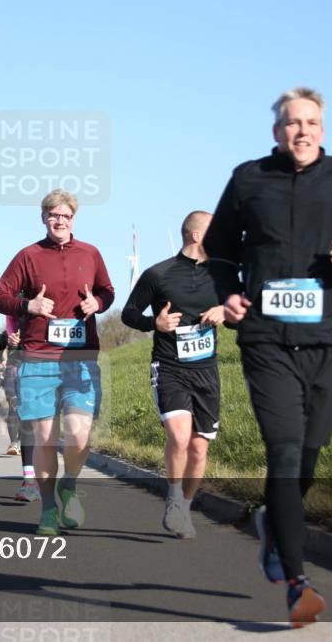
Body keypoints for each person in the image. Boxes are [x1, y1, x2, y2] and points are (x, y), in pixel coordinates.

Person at [203, 87, 332, 627]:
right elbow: (218, 248)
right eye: (292, 122)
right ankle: (297, 582)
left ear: (323, 130)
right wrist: (228, 289)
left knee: (308, 457)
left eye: (311, 122)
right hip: (265, 340)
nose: (302, 131)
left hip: (326, 341)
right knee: (284, 453)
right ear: (276, 131)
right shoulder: (248, 179)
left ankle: (272, 524)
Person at [0, 189, 115, 536]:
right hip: (37, 357)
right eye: (53, 215)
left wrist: (98, 305)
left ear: (74, 219)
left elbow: (107, 290)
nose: (60, 221)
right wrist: (27, 306)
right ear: (44, 218)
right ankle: (47, 509)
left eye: (66, 216)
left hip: (80, 357)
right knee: (43, 439)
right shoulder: (28, 256)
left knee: (78, 435)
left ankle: (69, 485)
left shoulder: (90, 254)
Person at [121, 211, 225, 539]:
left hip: (206, 371)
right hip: (169, 368)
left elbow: (241, 315)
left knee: (199, 449)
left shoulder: (223, 275)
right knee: (179, 437)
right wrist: (156, 324)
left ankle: (185, 504)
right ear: (196, 235)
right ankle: (174, 496)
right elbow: (129, 313)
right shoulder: (158, 274)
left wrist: (225, 311)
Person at [1, 318, 39, 502]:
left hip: (46, 368)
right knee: (26, 422)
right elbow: (4, 353)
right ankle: (30, 481)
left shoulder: (50, 316)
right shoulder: (12, 326)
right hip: (18, 370)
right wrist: (11, 344)